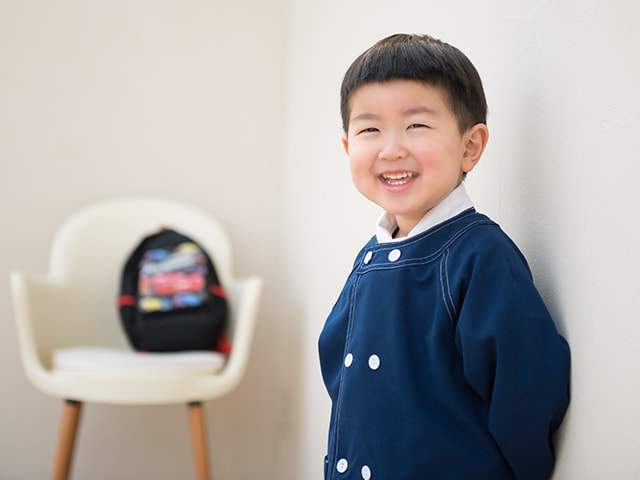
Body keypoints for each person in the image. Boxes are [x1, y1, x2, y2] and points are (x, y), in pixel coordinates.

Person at [318, 33, 571, 480]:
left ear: (470, 146)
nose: (391, 148)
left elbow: (526, 391)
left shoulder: (480, 256)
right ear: (347, 147)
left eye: (416, 125)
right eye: (370, 129)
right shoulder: (369, 258)